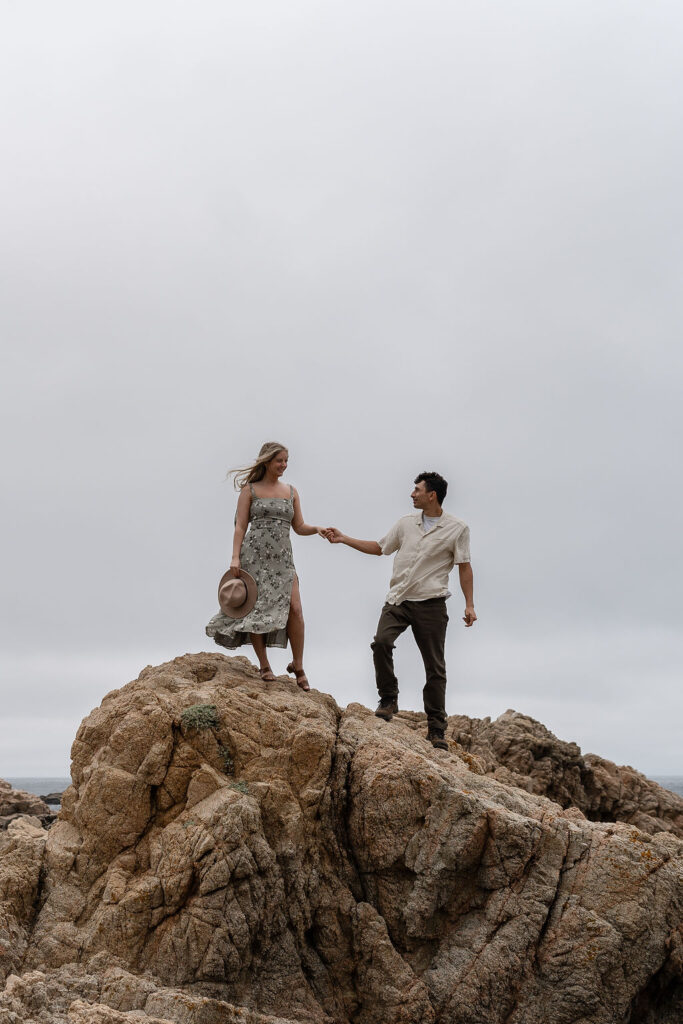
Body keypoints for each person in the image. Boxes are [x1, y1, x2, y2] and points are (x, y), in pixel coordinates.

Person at [324, 471, 476, 748]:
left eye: (417, 490)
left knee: (435, 668)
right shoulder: (405, 524)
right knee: (381, 643)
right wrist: (344, 538)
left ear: (432, 495)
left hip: (431, 604)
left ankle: (437, 729)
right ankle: (388, 698)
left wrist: (469, 604)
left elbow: (464, 566)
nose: (412, 494)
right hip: (398, 601)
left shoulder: (458, 528)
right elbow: (380, 547)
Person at [206, 442, 326, 690]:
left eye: (286, 461)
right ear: (267, 461)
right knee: (256, 611)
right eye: (279, 461)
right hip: (254, 558)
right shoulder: (250, 490)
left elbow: (299, 526)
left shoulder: (291, 491)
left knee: (295, 608)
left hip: (283, 561)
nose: (283, 465)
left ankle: (298, 664)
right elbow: (240, 526)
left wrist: (317, 529)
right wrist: (235, 558)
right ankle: (264, 664)